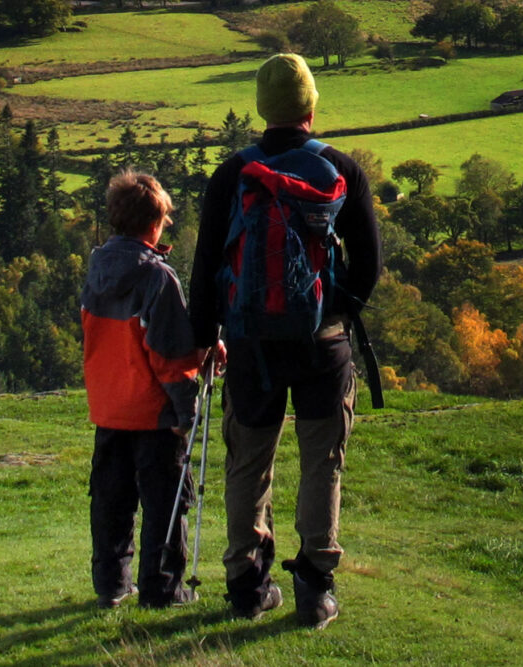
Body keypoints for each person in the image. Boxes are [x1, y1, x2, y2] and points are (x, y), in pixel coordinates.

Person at [189, 52, 381, 629]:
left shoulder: (232, 174)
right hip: (323, 343)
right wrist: (334, 312)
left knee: (249, 458)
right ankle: (316, 586)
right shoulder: (341, 168)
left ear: (261, 108)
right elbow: (368, 264)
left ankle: (247, 583)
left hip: (250, 343)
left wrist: (206, 338)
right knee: (323, 457)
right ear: (311, 106)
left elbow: (204, 269)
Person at [81, 170, 217, 609]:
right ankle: (162, 589)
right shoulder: (158, 279)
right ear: (156, 222)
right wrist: (186, 411)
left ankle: (111, 584)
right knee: (165, 502)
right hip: (153, 413)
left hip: (109, 406)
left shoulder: (96, 270)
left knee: (110, 501)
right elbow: (170, 358)